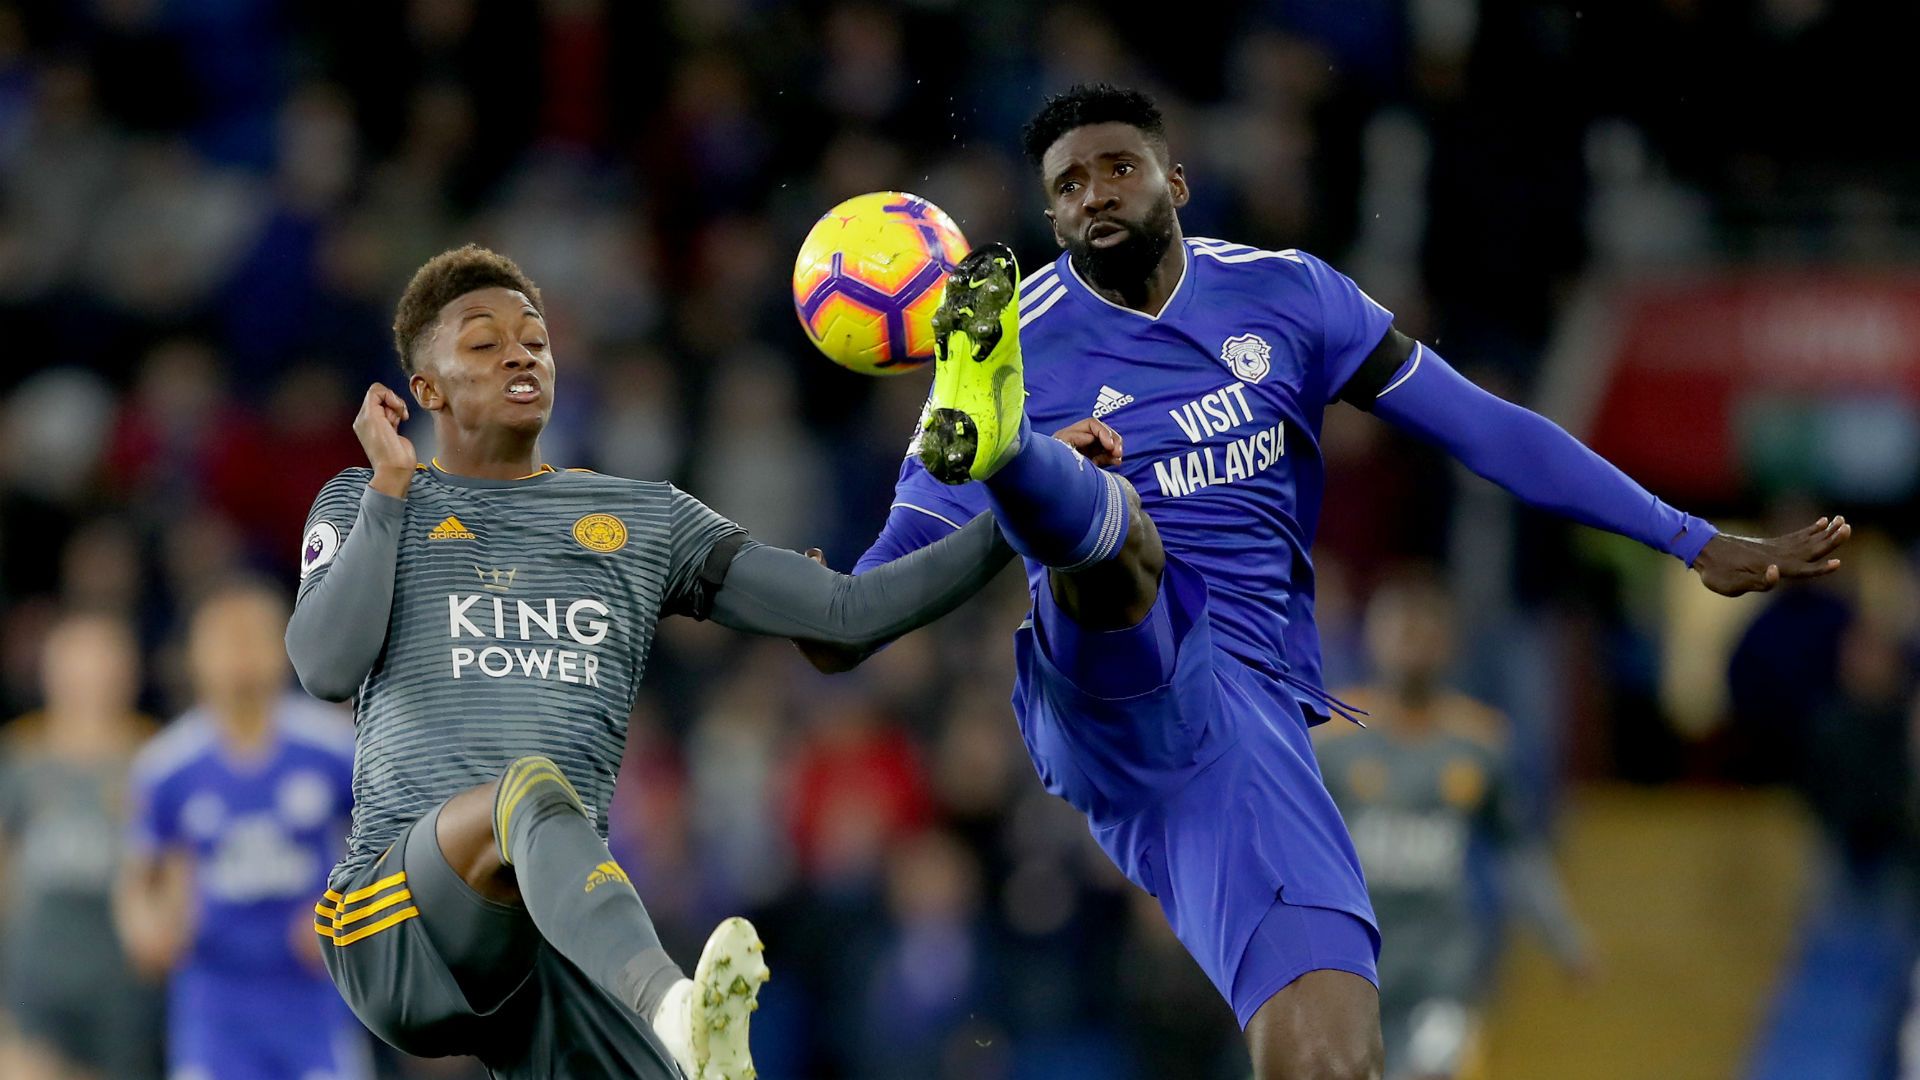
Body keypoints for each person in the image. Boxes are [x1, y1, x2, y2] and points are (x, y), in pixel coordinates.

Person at [849, 83, 1852, 1079]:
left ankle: (1033, 469)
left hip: (1255, 719)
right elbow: (880, 588)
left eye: (1118, 168)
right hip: (1103, 682)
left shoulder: (1291, 297)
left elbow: (1487, 428)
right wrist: (817, 603)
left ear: (1178, 180)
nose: (1094, 195)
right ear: (1050, 214)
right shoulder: (1007, 335)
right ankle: (1024, 463)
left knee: (1334, 1055)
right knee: (1116, 537)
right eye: (1067, 185)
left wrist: (1685, 536)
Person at [284, 244, 1016, 1080]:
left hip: (551, 953)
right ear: (427, 390)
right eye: (485, 344)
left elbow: (848, 617)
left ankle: (675, 1029)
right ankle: (674, 1008)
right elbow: (325, 667)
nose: (522, 353)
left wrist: (1026, 507)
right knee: (528, 789)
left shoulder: (643, 520)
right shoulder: (370, 497)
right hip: (394, 923)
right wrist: (388, 488)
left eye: (536, 339)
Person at [1316, 570, 1592, 1079]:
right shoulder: (1329, 737)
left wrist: (1562, 936)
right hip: (1346, 971)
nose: (1412, 648)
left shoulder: (1482, 741)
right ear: (1373, 639)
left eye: (1425, 635)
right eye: (1400, 632)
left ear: (1449, 645)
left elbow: (1517, 851)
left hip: (1442, 975)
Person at [118, 581, 366, 1080]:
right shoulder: (166, 766)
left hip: (311, 992)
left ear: (284, 646)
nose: (240, 657)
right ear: (193, 656)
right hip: (214, 999)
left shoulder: (335, 746)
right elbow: (138, 876)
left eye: (253, 638)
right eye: (224, 641)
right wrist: (147, 929)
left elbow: (386, 840)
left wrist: (348, 908)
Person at [0, 612, 161, 1080]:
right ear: (49, 674)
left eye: (104, 666)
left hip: (125, 988)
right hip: (37, 978)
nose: (91, 682)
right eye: (76, 668)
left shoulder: (153, 757)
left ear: (129, 673)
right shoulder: (20, 754)